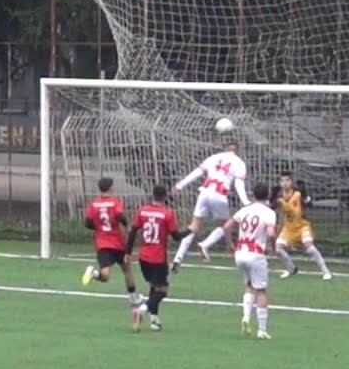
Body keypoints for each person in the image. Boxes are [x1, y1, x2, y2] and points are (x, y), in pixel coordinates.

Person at [171, 141, 250, 270]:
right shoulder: (239, 162)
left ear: (225, 148)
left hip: (204, 192)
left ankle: (178, 257)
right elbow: (238, 184)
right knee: (226, 224)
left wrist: (180, 185)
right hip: (219, 195)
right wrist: (245, 201)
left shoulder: (214, 157)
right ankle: (205, 244)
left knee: (193, 226)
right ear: (237, 150)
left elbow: (197, 172)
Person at [126, 184, 193, 332]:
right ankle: (141, 311)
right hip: (157, 258)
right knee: (162, 291)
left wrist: (127, 252)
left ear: (153, 196)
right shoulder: (167, 214)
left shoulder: (142, 211)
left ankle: (154, 321)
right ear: (165, 197)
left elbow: (132, 231)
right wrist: (190, 230)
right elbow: (176, 237)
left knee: (153, 287)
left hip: (143, 257)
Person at [222, 181, 279, 339]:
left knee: (249, 285)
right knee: (261, 290)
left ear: (253, 195)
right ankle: (262, 330)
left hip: (240, 253)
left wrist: (229, 243)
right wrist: (272, 246)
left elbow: (227, 226)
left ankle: (246, 316)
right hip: (255, 253)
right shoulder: (268, 213)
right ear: (267, 196)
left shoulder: (245, 210)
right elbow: (272, 233)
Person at [81, 176, 142, 306]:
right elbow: (121, 217)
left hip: (102, 243)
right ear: (111, 189)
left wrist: (98, 228)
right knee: (127, 269)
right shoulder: (115, 202)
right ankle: (132, 297)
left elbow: (87, 223)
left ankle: (94, 273)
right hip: (117, 242)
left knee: (105, 275)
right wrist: (127, 228)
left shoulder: (94, 204)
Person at [272, 171, 332, 280]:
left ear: (292, 182)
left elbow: (309, 204)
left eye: (287, 180)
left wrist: (306, 198)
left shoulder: (298, 194)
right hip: (288, 228)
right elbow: (271, 207)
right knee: (278, 248)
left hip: (302, 226)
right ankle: (291, 268)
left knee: (309, 245)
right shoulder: (278, 197)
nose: (285, 183)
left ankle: (325, 271)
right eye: (282, 181)